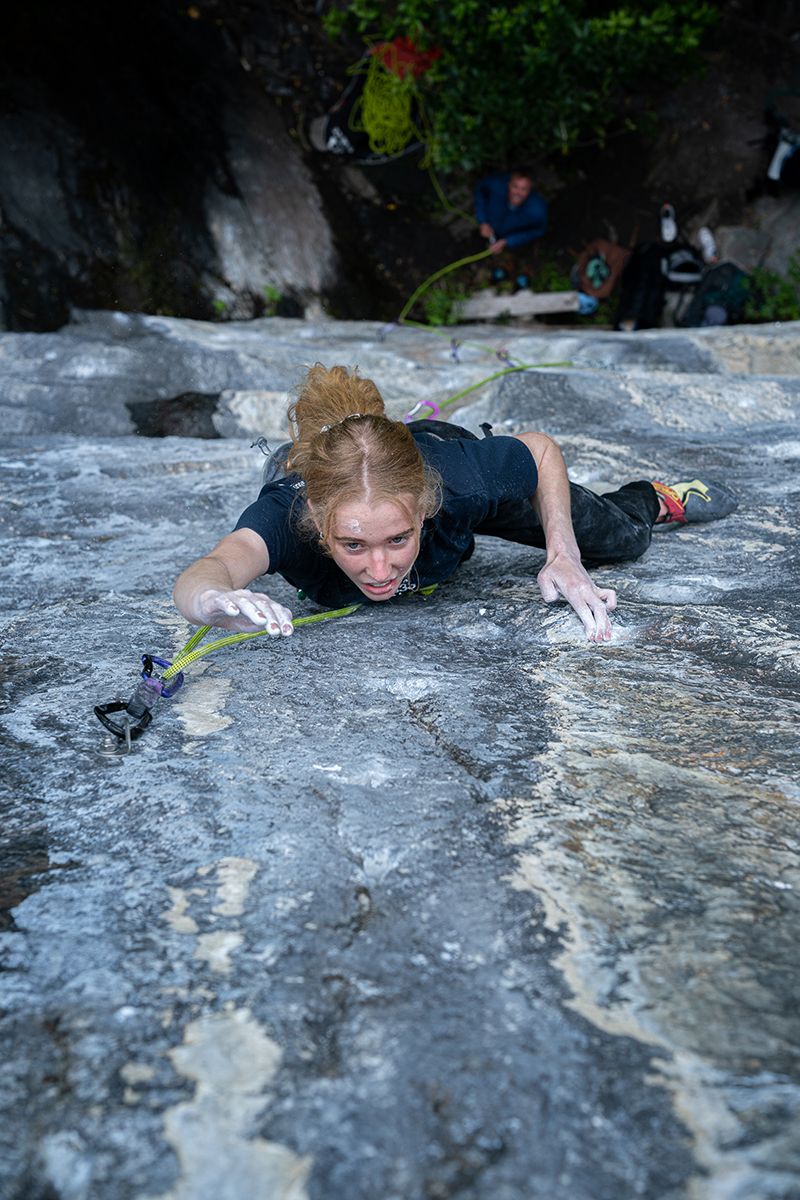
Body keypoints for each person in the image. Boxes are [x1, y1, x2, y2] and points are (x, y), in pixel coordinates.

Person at [172, 365, 737, 645]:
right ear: (319, 523)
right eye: (352, 544)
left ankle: (654, 499)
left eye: (398, 539)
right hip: (328, 468)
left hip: (432, 446)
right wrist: (213, 601)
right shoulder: (289, 518)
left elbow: (539, 453)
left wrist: (563, 554)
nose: (379, 570)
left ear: (426, 507)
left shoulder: (460, 481)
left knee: (621, 540)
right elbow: (213, 569)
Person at [474, 169, 548, 288]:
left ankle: (522, 277)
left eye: (523, 189)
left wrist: (509, 241)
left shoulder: (537, 210)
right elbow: (480, 190)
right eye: (515, 187)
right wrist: (482, 221)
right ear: (508, 184)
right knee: (498, 260)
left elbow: (538, 230)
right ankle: (502, 270)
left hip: (518, 237)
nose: (518, 193)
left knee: (525, 260)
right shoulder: (495, 186)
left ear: (530, 191)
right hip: (494, 231)